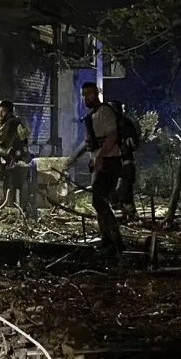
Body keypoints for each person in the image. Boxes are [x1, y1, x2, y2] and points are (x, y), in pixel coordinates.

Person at [67, 82, 127, 256]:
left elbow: (112, 136)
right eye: (84, 95)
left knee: (99, 202)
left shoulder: (105, 112)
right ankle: (107, 240)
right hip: (101, 162)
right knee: (99, 202)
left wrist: (99, 157)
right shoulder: (92, 115)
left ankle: (115, 242)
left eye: (89, 94)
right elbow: (89, 143)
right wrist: (74, 159)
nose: (86, 98)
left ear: (96, 94)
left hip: (109, 162)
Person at [0, 99, 32, 214]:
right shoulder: (16, 122)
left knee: (10, 186)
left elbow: (5, 146)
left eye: (2, 111)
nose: (0, 114)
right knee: (19, 187)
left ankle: (13, 212)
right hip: (21, 160)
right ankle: (21, 212)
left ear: (8, 111)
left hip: (15, 160)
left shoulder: (10, 124)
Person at [107, 100, 139, 221]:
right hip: (115, 165)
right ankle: (126, 216)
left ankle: (129, 215)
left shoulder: (125, 123)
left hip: (125, 164)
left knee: (123, 192)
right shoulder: (110, 125)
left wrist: (125, 145)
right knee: (117, 193)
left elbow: (134, 143)